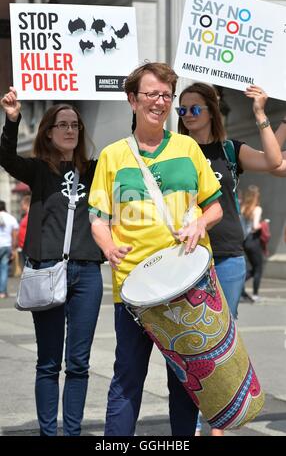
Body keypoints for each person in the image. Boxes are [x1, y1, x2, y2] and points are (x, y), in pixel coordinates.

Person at [88, 62, 223, 436]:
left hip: (188, 285)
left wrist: (200, 222)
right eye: (152, 94)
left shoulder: (189, 148)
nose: (160, 102)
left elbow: (215, 205)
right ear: (132, 100)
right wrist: (109, 247)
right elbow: (97, 217)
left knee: (186, 383)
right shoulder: (114, 156)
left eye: (166, 95)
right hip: (134, 288)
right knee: (128, 378)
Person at [176, 82, 282, 436]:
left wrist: (260, 114)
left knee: (222, 341)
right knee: (190, 342)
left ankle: (217, 424)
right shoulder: (173, 150)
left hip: (228, 256)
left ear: (211, 110)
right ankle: (187, 425)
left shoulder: (229, 149)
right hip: (185, 256)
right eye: (182, 110)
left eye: (194, 109)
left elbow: (273, 161)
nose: (187, 116)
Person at [0, 87, 104, 436]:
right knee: (48, 363)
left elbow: (131, 155)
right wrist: (12, 120)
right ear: (48, 131)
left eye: (75, 124)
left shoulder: (96, 169)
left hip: (87, 272)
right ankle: (49, 433)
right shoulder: (39, 170)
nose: (70, 130)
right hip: (46, 271)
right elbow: (6, 157)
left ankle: (71, 432)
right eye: (62, 124)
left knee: (79, 363)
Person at [240, 185, 264, 302]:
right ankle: (255, 294)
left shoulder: (243, 207)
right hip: (254, 240)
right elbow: (255, 226)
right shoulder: (257, 209)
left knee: (253, 267)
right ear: (256, 196)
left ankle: (240, 283)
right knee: (258, 268)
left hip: (245, 242)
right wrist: (263, 224)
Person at [0, 200, 19, 298]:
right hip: (6, 245)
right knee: (4, 269)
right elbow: (15, 235)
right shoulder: (11, 218)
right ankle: (2, 292)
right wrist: (13, 248)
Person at [18, 194, 31, 268]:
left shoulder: (30, 214)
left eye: (22, 204)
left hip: (27, 247)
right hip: (24, 246)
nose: (21, 206)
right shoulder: (26, 215)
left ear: (26, 203)